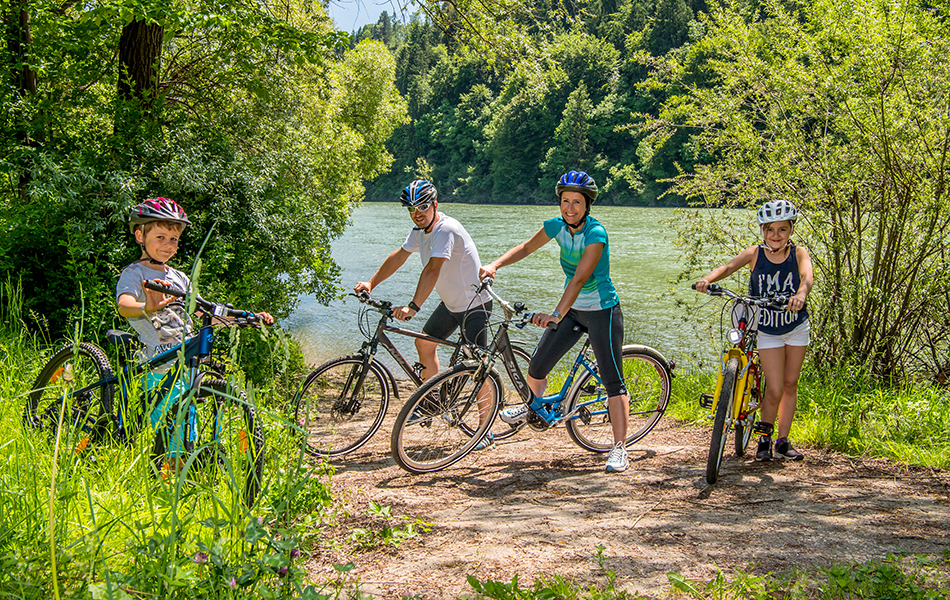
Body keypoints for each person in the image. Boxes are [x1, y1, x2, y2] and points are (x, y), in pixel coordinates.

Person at [479, 170, 632, 473]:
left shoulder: (596, 234)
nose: (570, 208)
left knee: (613, 381)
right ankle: (533, 406)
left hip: (603, 310)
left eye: (577, 202)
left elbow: (579, 279)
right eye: (565, 201)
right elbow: (525, 247)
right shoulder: (556, 227)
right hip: (574, 311)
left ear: (587, 206)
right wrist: (495, 264)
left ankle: (619, 448)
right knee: (537, 366)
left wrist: (555, 315)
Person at [116, 197, 274, 464]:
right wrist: (149, 307)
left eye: (174, 239)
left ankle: (183, 468)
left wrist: (246, 318)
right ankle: (169, 470)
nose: (168, 245)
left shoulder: (179, 277)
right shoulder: (133, 273)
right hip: (157, 363)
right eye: (161, 237)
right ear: (140, 235)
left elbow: (203, 314)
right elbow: (125, 305)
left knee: (188, 414)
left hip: (186, 361)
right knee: (168, 419)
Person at [353, 180, 495, 447]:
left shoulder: (446, 230)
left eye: (423, 207)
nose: (417, 213)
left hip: (474, 305)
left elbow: (432, 269)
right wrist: (372, 282)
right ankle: (432, 402)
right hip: (452, 305)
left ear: (435, 205)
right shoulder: (420, 230)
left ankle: (484, 430)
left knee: (477, 367)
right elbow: (399, 256)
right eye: (411, 208)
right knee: (424, 343)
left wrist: (413, 307)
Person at [694, 199, 813, 462]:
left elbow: (806, 278)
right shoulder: (754, 254)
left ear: (791, 230)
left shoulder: (799, 254)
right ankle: (764, 440)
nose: (775, 235)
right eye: (770, 229)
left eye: (782, 229)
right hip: (768, 329)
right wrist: (708, 280)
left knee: (790, 383)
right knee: (774, 388)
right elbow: (727, 267)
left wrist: (800, 295)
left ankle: (783, 441)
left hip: (795, 327)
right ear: (762, 231)